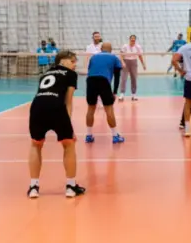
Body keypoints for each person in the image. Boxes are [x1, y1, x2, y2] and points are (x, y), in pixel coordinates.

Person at [27, 49, 84, 199]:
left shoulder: (45, 74)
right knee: (69, 144)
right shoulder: (71, 74)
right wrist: (69, 125)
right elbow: (68, 101)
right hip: (57, 108)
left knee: (36, 144)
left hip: (37, 107)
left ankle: (33, 187)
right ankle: (71, 186)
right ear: (62, 61)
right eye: (72, 61)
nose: (75, 64)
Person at [85, 42, 124, 144]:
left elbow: (90, 71)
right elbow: (117, 76)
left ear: (101, 48)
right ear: (111, 49)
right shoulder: (114, 57)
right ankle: (115, 136)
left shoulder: (93, 57)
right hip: (103, 81)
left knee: (90, 108)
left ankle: (88, 135)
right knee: (109, 109)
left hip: (90, 81)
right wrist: (114, 92)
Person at [119, 35, 145, 101]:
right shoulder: (125, 46)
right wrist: (122, 62)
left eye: (134, 39)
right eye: (131, 39)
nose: (133, 40)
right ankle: (122, 94)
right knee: (123, 78)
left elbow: (140, 56)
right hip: (126, 62)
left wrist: (143, 64)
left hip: (134, 62)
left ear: (135, 40)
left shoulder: (138, 47)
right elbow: (121, 55)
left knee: (134, 78)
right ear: (129, 39)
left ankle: (134, 95)